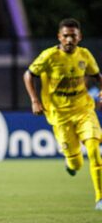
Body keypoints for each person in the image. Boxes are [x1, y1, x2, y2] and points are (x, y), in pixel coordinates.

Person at [24, 18, 102, 210]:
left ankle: (100, 198)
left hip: (84, 110)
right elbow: (28, 75)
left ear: (79, 37)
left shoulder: (85, 55)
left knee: (94, 150)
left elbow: (97, 76)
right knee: (76, 164)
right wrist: (35, 100)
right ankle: (71, 164)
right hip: (59, 115)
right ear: (59, 36)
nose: (69, 39)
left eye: (73, 36)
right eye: (65, 36)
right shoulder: (48, 56)